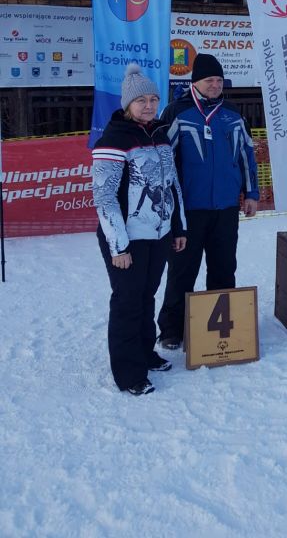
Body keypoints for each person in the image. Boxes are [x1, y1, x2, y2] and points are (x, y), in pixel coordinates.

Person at [92, 63, 187, 396]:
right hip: (127, 237)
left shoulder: (160, 134)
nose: (148, 105)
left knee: (147, 296)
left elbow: (172, 185)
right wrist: (118, 246)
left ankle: (146, 353)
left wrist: (178, 228)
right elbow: (104, 196)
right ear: (127, 104)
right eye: (141, 100)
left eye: (153, 99)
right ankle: (129, 372)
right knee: (127, 301)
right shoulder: (114, 138)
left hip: (158, 234)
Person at [157, 54, 259, 348]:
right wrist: (167, 205)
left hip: (226, 207)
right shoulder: (177, 112)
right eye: (209, 80)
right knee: (182, 270)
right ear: (195, 82)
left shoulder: (232, 113)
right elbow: (163, 161)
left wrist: (251, 193)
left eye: (219, 80)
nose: (215, 85)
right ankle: (172, 329)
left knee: (224, 267)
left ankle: (219, 329)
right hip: (189, 210)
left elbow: (246, 155)